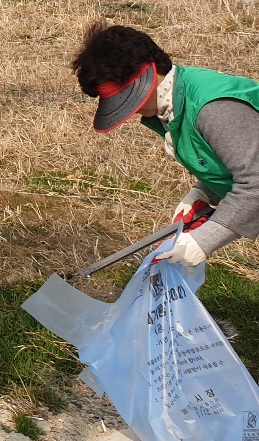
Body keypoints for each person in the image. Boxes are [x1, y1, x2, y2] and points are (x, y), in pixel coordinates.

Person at [72, 22, 259, 274]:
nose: (132, 110)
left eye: (126, 99)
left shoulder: (212, 108)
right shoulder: (174, 107)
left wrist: (203, 241)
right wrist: (204, 193)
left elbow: (255, 182)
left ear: (149, 75)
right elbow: (236, 156)